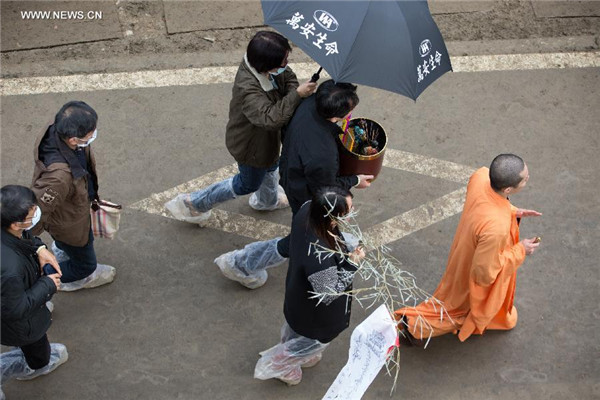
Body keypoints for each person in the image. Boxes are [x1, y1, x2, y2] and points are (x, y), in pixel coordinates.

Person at [214, 80, 373, 289]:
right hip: (306, 193)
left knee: (311, 236)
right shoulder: (322, 157)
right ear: (335, 116)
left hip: (293, 172)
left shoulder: (308, 103)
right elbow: (326, 187)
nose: (347, 211)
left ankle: (244, 259)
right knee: (301, 240)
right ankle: (241, 263)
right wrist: (354, 180)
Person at [165, 31, 317, 224]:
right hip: (251, 148)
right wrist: (296, 95)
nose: (286, 65)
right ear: (265, 64)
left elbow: (288, 78)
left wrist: (293, 92)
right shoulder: (248, 89)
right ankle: (195, 203)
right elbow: (270, 118)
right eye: (282, 62)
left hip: (267, 141)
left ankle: (267, 201)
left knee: (271, 167)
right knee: (247, 183)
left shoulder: (265, 66)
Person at [395, 154, 542, 344]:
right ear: (507, 189)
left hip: (463, 251)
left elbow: (486, 204)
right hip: (470, 270)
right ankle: (411, 326)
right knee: (458, 310)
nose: (527, 180)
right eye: (525, 179)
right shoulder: (496, 227)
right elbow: (485, 274)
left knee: (450, 301)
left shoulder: (480, 177)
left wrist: (511, 211)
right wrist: (521, 250)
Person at [254, 187, 365, 385]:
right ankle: (281, 366)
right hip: (315, 317)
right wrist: (352, 263)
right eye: (348, 211)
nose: (352, 214)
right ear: (331, 218)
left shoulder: (307, 210)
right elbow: (329, 292)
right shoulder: (318, 256)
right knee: (307, 342)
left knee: (295, 334)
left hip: (298, 296)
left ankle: (296, 352)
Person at [31, 100, 115, 292]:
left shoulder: (56, 130)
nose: (94, 135)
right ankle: (43, 278)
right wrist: (32, 246)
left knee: (66, 245)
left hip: (71, 213)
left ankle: (61, 251)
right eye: (89, 134)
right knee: (85, 264)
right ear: (72, 140)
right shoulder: (58, 178)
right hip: (70, 225)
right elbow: (37, 211)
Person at [1, 185, 68, 385]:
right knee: (38, 353)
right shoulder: (9, 270)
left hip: (17, 306)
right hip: (20, 325)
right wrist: (47, 284)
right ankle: (36, 364)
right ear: (14, 224)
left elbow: (24, 237)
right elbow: (16, 309)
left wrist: (38, 248)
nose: (36, 214)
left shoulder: (8, 229)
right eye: (31, 215)